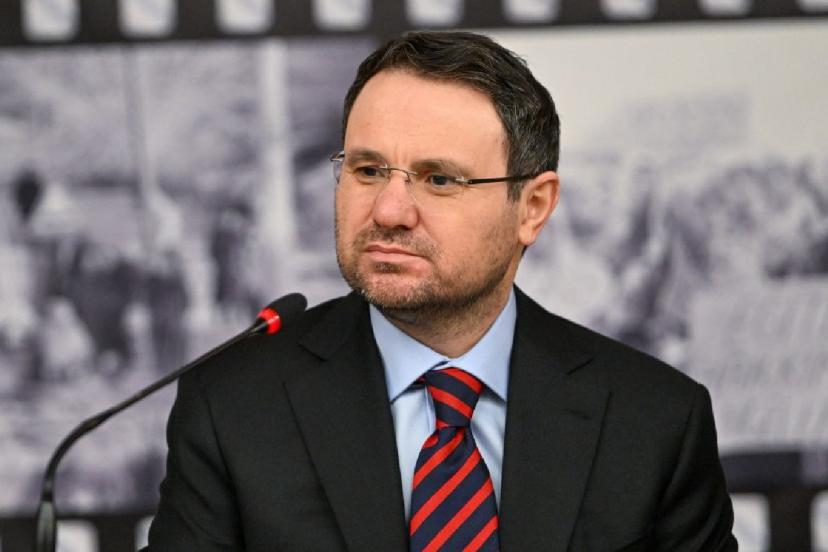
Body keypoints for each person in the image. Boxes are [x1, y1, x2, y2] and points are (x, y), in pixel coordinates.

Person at [147, 31, 736, 551]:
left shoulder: (654, 420)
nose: (389, 211)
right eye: (368, 170)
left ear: (532, 207)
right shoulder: (232, 407)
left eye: (439, 179)